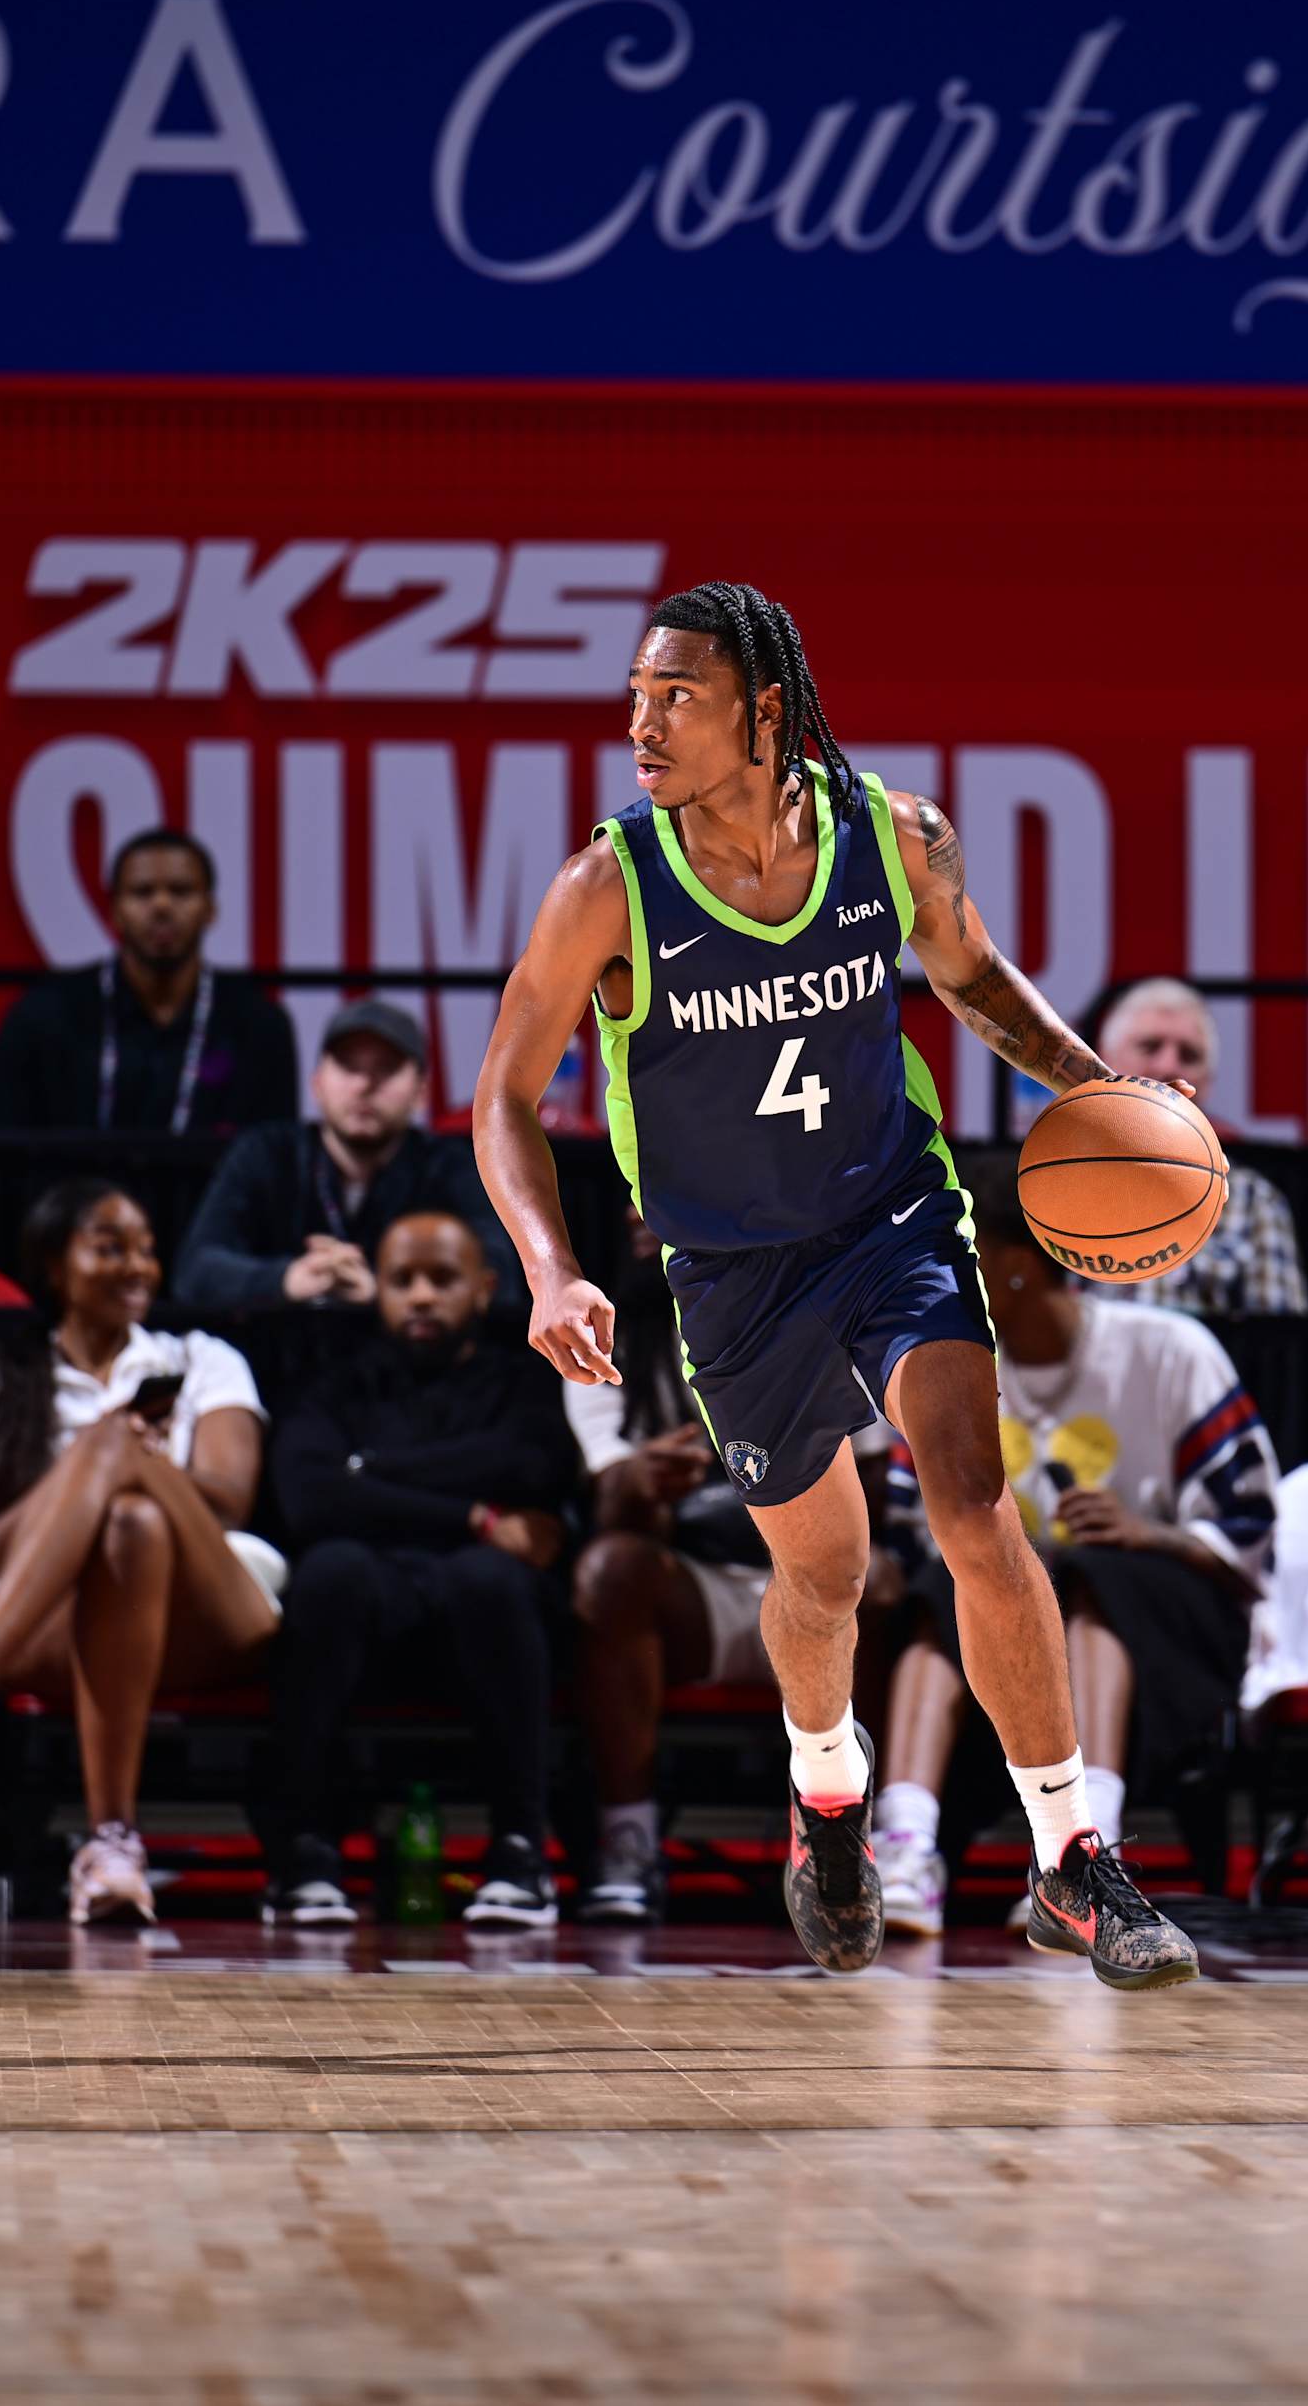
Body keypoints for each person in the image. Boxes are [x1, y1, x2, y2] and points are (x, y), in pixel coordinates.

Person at [473, 575, 1198, 1987]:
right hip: (734, 1272)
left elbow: (976, 981)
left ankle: (1070, 1859)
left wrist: (1107, 1093)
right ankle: (826, 1803)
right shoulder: (607, 884)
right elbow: (503, 1097)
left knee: (976, 1510)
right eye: (635, 696)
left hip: (891, 1218)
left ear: (766, 709)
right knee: (826, 1574)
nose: (642, 723)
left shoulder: (892, 833)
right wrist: (552, 1272)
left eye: (675, 696)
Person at [0, 1178, 281, 1925]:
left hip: (212, 1614)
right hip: (56, 1631)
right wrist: (79, 1485)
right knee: (129, 1525)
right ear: (52, 1264)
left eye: (146, 1249)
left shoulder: (202, 1359)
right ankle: (112, 1846)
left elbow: (231, 1499)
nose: (137, 1266)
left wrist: (118, 1456)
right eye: (109, 1248)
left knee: (120, 1461)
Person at [873, 1161, 1277, 1936]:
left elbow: (1253, 1523)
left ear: (1018, 1270)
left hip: (1164, 1630)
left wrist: (1149, 1532)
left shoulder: (1168, 1351)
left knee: (1096, 1577)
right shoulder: (937, 1362)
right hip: (998, 1627)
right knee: (941, 1586)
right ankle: (907, 1845)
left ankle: (1083, 1859)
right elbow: (899, 1522)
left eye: (958, 1252)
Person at [567, 1209, 902, 1926]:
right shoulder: (608, 1329)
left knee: (884, 1584)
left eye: (656, 1204)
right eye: (628, 1207)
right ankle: (627, 1838)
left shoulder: (829, 1311)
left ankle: (862, 1835)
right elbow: (608, 1497)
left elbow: (872, 1500)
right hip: (701, 1588)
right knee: (609, 1571)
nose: (636, 1220)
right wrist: (641, 1485)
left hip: (816, 1580)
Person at [265, 1210, 578, 1928]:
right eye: (402, 1280)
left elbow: (535, 1466)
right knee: (328, 1573)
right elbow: (310, 1497)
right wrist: (474, 1514)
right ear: (377, 1289)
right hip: (369, 1590)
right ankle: (306, 1852)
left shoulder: (523, 1379)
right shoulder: (337, 1381)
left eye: (443, 1279)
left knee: (489, 1581)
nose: (422, 1297)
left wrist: (370, 1474)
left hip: (484, 1602)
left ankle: (520, 1850)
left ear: (485, 1286)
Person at [174, 999, 517, 1311]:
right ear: (318, 1083)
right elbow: (196, 1270)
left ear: (421, 1092)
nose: (364, 1084)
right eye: (348, 1066)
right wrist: (288, 1278)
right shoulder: (266, 1153)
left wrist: (387, 1291)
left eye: (386, 1068)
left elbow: (499, 1277)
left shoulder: (449, 1164)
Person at [0, 829, 297, 1136]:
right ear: (115, 912)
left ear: (210, 910)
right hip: (75, 1195)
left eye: (181, 891)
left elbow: (276, 1165)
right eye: (142, 892)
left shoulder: (258, 1023)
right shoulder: (45, 1015)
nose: (162, 906)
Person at [1090, 978, 1307, 1315]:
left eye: (1189, 1055)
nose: (1168, 1067)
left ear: (1205, 1081)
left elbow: (1280, 1355)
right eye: (1150, 1046)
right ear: (1105, 1058)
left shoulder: (1252, 1200)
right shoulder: (1045, 1182)